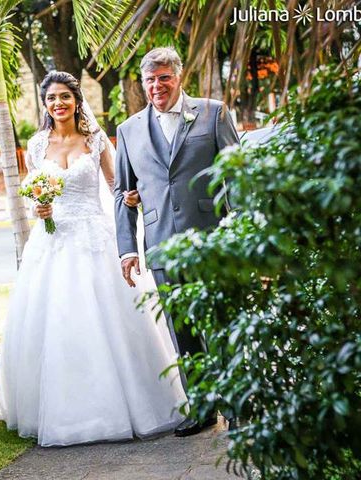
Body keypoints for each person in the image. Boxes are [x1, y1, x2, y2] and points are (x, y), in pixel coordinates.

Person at [0, 71, 187, 447]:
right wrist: (38, 209)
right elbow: (34, 194)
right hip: (52, 244)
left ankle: (130, 404)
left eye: (64, 96)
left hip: (94, 237)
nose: (58, 104)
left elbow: (117, 186)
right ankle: (60, 408)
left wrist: (133, 199)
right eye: (51, 99)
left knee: (108, 319)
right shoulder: (36, 144)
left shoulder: (95, 141)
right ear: (45, 105)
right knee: (56, 322)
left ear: (77, 100)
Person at [114, 47, 240, 437]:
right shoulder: (128, 130)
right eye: (150, 80)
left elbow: (236, 172)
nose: (156, 86)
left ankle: (237, 407)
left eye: (164, 78)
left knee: (220, 325)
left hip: (211, 238)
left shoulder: (213, 111)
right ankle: (201, 408)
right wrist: (129, 248)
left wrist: (241, 226)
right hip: (162, 244)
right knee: (181, 331)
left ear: (179, 76)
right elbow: (124, 192)